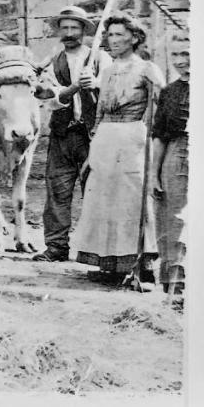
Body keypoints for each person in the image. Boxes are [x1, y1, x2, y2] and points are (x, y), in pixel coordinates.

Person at [72, 14, 165, 281]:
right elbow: (100, 113)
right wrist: (93, 148)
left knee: (132, 200)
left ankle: (142, 266)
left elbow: (160, 108)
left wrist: (153, 141)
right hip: (106, 139)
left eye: (119, 35)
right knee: (105, 200)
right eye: (110, 35)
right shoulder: (108, 71)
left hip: (133, 138)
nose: (112, 40)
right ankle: (110, 265)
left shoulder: (147, 69)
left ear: (134, 38)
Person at [32, 5, 111, 262]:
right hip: (62, 134)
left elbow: (111, 90)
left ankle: (97, 252)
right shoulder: (52, 61)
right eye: (64, 28)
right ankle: (56, 247)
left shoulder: (100, 58)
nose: (68, 32)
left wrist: (95, 83)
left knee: (95, 191)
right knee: (57, 191)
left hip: (93, 135)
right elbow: (51, 98)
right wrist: (75, 86)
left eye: (74, 28)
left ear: (84, 31)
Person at [151, 33, 190, 294]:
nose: (180, 60)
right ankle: (176, 283)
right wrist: (154, 172)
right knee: (174, 216)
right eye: (174, 54)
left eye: (185, 53)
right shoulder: (170, 92)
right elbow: (160, 135)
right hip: (176, 155)